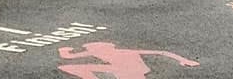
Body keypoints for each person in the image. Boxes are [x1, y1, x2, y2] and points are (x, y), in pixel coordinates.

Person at [57, 42, 199, 79]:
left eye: (90, 49)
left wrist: (183, 60)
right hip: (126, 71)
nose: (89, 52)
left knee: (73, 67)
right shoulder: (106, 53)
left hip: (132, 72)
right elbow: (68, 58)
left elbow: (160, 52)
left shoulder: (123, 52)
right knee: (71, 67)